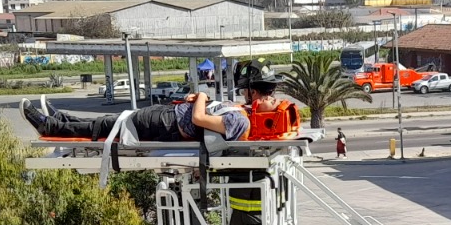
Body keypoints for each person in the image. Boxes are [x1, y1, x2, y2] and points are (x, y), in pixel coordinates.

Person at [20, 64, 280, 144]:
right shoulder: (242, 111)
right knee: (113, 121)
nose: (274, 100)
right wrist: (202, 101)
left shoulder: (240, 121)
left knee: (109, 127)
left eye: (271, 97)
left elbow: (200, 119)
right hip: (168, 116)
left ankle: (50, 127)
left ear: (252, 92)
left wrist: (200, 97)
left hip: (167, 124)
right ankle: (61, 120)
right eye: (270, 95)